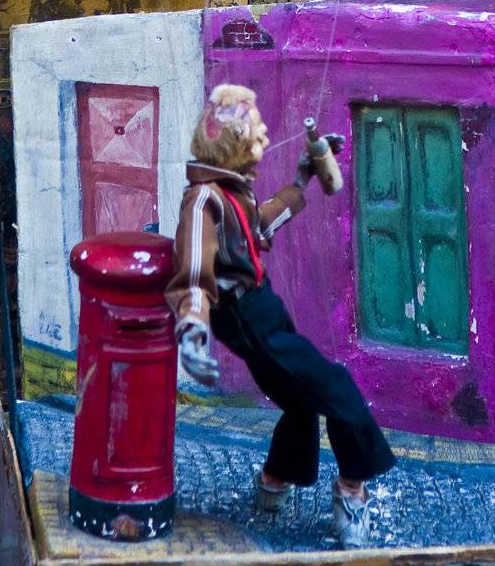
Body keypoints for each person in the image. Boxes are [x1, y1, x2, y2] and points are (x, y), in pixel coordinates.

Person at [166, 83, 394, 547]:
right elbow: (193, 269)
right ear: (232, 143)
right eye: (255, 137)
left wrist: (304, 176)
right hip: (247, 316)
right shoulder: (203, 201)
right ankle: (352, 490)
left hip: (263, 307)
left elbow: (258, 229)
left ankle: (273, 482)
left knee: (300, 398)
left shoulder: (231, 193)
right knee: (336, 387)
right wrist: (192, 328)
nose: (263, 143)